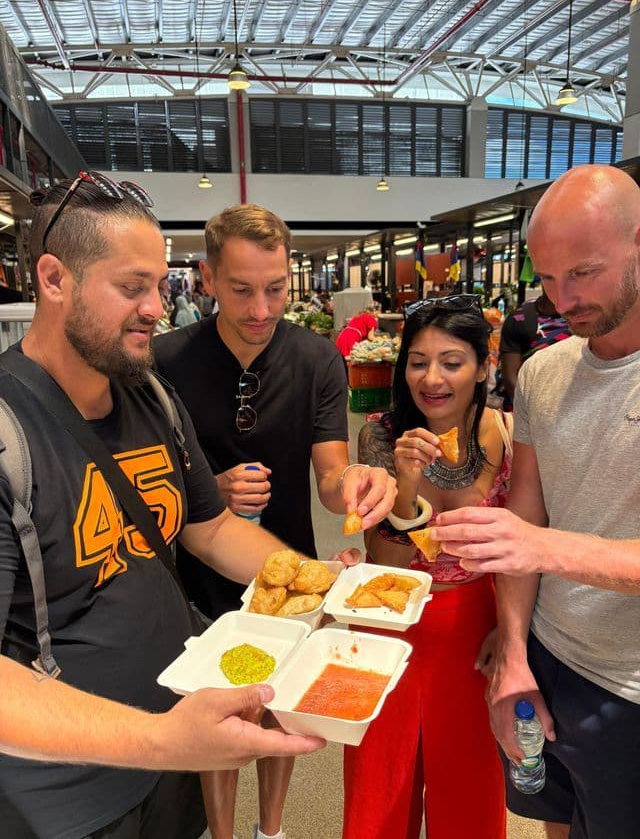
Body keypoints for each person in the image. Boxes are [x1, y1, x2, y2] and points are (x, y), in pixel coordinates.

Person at [0, 174, 343, 839]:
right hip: (68, 794)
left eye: (160, 285)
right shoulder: (12, 432)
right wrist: (163, 739)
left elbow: (211, 528)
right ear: (52, 279)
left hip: (177, 751)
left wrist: (329, 584)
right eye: (132, 288)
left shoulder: (150, 398)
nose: (158, 308)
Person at [153, 203, 396, 839]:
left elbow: (328, 469)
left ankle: (272, 830)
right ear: (206, 279)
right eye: (241, 290)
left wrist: (357, 481)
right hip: (195, 570)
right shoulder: (165, 360)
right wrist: (206, 491)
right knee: (217, 713)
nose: (261, 309)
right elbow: (148, 476)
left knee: (276, 711)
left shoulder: (316, 358)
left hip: (287, 566)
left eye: (276, 289)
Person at [432, 164, 640, 839]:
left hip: (628, 686)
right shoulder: (547, 373)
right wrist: (515, 653)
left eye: (582, 272)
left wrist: (542, 547)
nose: (562, 299)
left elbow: (534, 540)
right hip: (546, 663)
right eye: (547, 278)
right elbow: (525, 520)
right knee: (555, 822)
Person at [342, 293, 510, 839]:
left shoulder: (508, 434)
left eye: (451, 362)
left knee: (469, 784)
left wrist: (511, 632)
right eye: (417, 361)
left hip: (476, 625)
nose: (431, 378)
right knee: (380, 786)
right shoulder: (380, 435)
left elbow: (525, 544)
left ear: (483, 366)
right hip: (389, 619)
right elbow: (385, 558)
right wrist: (405, 483)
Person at [498, 289, 570, 410]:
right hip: (526, 412)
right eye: (550, 277)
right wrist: (534, 413)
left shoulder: (586, 319)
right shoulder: (520, 318)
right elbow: (511, 378)